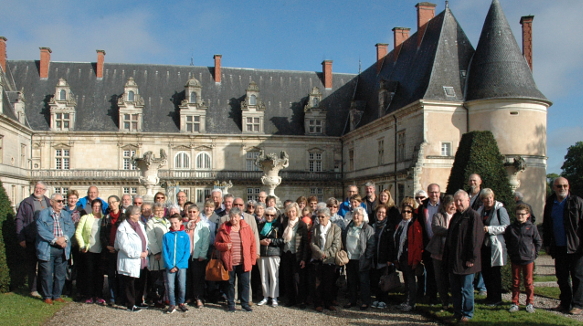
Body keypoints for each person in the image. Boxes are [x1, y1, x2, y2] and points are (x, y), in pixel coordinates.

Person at [542, 177, 583, 315]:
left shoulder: (577, 201)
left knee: (577, 276)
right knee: (562, 277)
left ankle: (578, 304)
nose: (562, 188)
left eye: (565, 185)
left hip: (576, 246)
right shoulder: (550, 203)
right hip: (558, 246)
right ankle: (565, 303)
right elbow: (547, 225)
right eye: (559, 186)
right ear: (554, 187)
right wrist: (547, 243)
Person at [443, 190, 484, 323]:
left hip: (466, 261)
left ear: (467, 201)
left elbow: (476, 239)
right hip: (454, 259)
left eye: (461, 200)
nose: (458, 203)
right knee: (455, 289)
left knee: (466, 289)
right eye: (456, 201)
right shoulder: (456, 216)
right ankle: (457, 312)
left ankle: (467, 313)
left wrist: (471, 258)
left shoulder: (473, 216)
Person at [215, 207, 257, 312]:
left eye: (236, 217)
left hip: (244, 261)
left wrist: (252, 260)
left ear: (239, 217)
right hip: (229, 261)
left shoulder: (246, 228)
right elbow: (216, 243)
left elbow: (253, 244)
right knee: (230, 283)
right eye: (231, 217)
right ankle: (231, 304)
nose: (233, 219)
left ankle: (245, 304)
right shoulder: (224, 228)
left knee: (245, 283)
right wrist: (224, 246)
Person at [36, 193, 74, 305]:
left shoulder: (66, 214)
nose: (61, 203)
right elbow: (41, 230)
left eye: (62, 201)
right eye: (58, 201)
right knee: (47, 274)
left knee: (60, 274)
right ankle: (47, 296)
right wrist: (55, 240)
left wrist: (65, 239)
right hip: (48, 247)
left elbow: (71, 228)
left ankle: (57, 295)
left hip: (63, 248)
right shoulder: (43, 214)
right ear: (51, 202)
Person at [15, 181, 51, 298]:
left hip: (44, 240)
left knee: (44, 265)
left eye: (41, 189)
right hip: (30, 238)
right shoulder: (26, 203)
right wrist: (21, 237)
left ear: (45, 191)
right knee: (31, 265)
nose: (38, 190)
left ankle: (42, 288)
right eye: (37, 188)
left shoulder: (48, 202)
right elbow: (19, 220)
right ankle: (33, 289)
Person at [505, 204, 541, 313]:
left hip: (528, 258)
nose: (520, 216)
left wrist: (534, 254)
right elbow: (507, 242)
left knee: (528, 282)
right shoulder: (511, 228)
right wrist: (511, 253)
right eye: (518, 214)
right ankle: (515, 302)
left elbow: (538, 241)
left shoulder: (532, 227)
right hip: (516, 258)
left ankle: (530, 302)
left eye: (522, 214)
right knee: (515, 282)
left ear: (527, 215)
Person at [476, 188, 509, 306]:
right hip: (483, 245)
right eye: (486, 198)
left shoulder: (500, 210)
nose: (488, 200)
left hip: (495, 244)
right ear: (482, 199)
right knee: (486, 271)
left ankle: (497, 298)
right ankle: (489, 296)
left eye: (490, 197)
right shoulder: (481, 210)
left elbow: (506, 227)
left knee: (495, 272)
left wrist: (490, 229)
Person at [115, 205, 149, 312]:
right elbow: (124, 246)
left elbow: (144, 239)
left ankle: (139, 301)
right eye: (137, 214)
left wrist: (146, 250)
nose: (139, 215)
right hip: (130, 260)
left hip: (141, 259)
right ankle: (130, 304)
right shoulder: (122, 227)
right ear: (131, 215)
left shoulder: (140, 224)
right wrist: (138, 254)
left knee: (140, 282)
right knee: (130, 283)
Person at [392, 198, 423, 312]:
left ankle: (411, 303)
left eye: (408, 212)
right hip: (402, 257)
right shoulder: (399, 225)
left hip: (410, 257)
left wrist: (416, 260)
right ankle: (406, 301)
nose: (406, 213)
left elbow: (418, 244)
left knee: (411, 281)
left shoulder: (414, 225)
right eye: (404, 211)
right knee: (406, 281)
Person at [425, 194, 455, 310]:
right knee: (440, 278)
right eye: (450, 203)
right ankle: (444, 302)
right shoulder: (438, 216)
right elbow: (436, 228)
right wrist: (451, 231)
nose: (453, 206)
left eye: (454, 203)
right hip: (438, 252)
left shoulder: (457, 216)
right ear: (445, 205)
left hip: (452, 253)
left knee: (452, 278)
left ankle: (454, 301)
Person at [342, 207, 375, 310]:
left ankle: (365, 301)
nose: (356, 216)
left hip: (361, 259)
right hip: (350, 259)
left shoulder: (367, 228)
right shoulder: (349, 227)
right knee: (351, 281)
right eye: (354, 214)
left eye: (358, 214)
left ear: (363, 217)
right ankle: (352, 300)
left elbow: (371, 245)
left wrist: (367, 258)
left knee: (363, 281)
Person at [310, 207, 341, 312]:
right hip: (317, 258)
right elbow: (312, 243)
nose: (320, 219)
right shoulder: (315, 228)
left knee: (328, 283)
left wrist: (326, 254)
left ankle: (328, 303)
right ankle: (318, 303)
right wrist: (320, 253)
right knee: (317, 282)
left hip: (329, 259)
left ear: (328, 217)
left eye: (322, 217)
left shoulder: (335, 228)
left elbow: (336, 244)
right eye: (318, 216)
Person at [75, 199, 106, 305]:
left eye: (98, 206)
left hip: (101, 250)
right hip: (88, 250)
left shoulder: (104, 219)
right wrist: (82, 245)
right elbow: (78, 232)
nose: (97, 208)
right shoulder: (85, 218)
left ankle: (99, 295)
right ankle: (89, 295)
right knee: (89, 273)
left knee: (100, 274)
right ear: (92, 207)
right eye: (95, 206)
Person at [280, 202, 309, 308]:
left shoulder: (301, 224)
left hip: (297, 254)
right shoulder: (284, 223)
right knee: (287, 277)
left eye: (293, 211)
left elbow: (305, 243)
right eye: (289, 211)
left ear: (297, 212)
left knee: (297, 279)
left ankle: (300, 300)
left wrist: (304, 258)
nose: (291, 213)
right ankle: (290, 299)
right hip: (286, 253)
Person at [417, 183, 441, 304]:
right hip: (428, 243)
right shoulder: (423, 206)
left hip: (442, 243)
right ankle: (432, 296)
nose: (434, 194)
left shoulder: (444, 205)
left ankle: (443, 296)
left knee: (442, 272)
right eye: (431, 192)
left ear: (439, 193)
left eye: (436, 192)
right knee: (430, 271)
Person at [163, 214, 191, 313]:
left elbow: (187, 252)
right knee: (170, 286)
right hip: (170, 266)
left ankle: (181, 303)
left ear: (180, 222)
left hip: (181, 266)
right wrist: (170, 265)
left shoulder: (185, 236)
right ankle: (172, 304)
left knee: (182, 285)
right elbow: (165, 252)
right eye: (172, 223)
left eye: (176, 222)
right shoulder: (167, 236)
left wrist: (179, 265)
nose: (174, 225)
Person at [257, 206, 283, 308]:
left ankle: (274, 297)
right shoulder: (260, 225)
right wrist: (260, 242)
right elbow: (256, 238)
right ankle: (265, 296)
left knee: (273, 276)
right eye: (267, 215)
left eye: (272, 215)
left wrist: (272, 241)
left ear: (275, 216)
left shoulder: (278, 225)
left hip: (274, 253)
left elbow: (282, 240)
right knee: (263, 276)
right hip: (263, 253)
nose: (269, 217)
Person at [370, 204, 395, 309]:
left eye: (383, 213)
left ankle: (384, 300)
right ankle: (377, 298)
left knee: (384, 279)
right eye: (379, 212)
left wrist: (390, 258)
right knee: (375, 279)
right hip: (373, 257)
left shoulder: (389, 227)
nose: (381, 214)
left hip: (384, 257)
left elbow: (391, 244)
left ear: (386, 215)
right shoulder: (372, 226)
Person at [100, 195, 124, 306]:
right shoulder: (106, 218)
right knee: (111, 275)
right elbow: (102, 234)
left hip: (121, 250)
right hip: (109, 250)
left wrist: (119, 247)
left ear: (118, 202)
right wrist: (107, 246)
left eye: (113, 202)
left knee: (120, 275)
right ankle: (112, 297)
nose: (112, 204)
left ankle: (120, 296)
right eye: (109, 203)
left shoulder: (124, 217)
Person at [184, 204, 209, 308]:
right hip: (186, 255)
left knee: (198, 278)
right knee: (188, 277)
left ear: (198, 212)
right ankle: (189, 296)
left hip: (197, 255)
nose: (192, 214)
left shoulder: (203, 225)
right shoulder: (184, 224)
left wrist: (202, 254)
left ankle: (199, 297)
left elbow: (205, 241)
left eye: (194, 212)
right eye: (190, 212)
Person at [63, 189, 86, 297]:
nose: (72, 200)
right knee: (66, 265)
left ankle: (79, 289)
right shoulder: (62, 210)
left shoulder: (81, 211)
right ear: (67, 199)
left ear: (77, 199)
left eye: (74, 198)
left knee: (78, 265)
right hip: (65, 241)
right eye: (70, 198)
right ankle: (67, 288)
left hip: (77, 242)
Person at [146, 202, 170, 307]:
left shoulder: (167, 221)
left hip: (166, 253)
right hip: (157, 255)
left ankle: (164, 298)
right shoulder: (151, 223)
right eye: (157, 211)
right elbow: (150, 238)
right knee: (156, 278)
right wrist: (156, 252)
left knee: (164, 278)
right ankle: (156, 299)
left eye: (161, 210)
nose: (159, 213)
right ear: (153, 212)